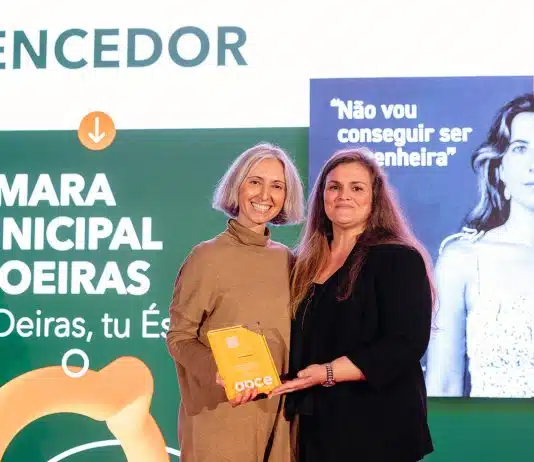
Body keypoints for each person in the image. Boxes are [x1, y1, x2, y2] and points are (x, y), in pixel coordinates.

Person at [270, 147, 434, 462]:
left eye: (356, 188)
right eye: (335, 187)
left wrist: (327, 373)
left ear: (375, 198)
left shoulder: (398, 258)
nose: (344, 196)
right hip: (316, 426)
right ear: (322, 196)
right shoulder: (303, 263)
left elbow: (405, 344)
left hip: (378, 427)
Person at [165, 142, 305, 462]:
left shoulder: (289, 261)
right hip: (221, 417)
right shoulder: (206, 257)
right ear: (237, 186)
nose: (265, 194)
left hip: (280, 419)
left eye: (277, 186)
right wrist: (217, 370)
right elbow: (179, 338)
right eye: (255, 181)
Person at [425, 93, 534, 398]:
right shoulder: (462, 259)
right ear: (500, 169)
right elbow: (442, 387)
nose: (533, 164)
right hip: (491, 428)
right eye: (521, 148)